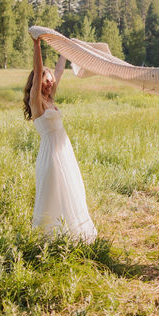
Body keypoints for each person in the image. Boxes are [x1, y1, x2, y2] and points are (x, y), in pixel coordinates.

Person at [25, 27, 97, 241]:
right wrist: (36, 44)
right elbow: (38, 72)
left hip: (64, 153)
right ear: (38, 83)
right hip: (51, 155)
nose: (50, 82)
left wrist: (64, 49)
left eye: (51, 80)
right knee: (52, 194)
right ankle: (47, 238)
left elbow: (59, 71)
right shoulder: (36, 102)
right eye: (46, 80)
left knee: (70, 189)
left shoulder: (50, 99)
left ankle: (71, 234)